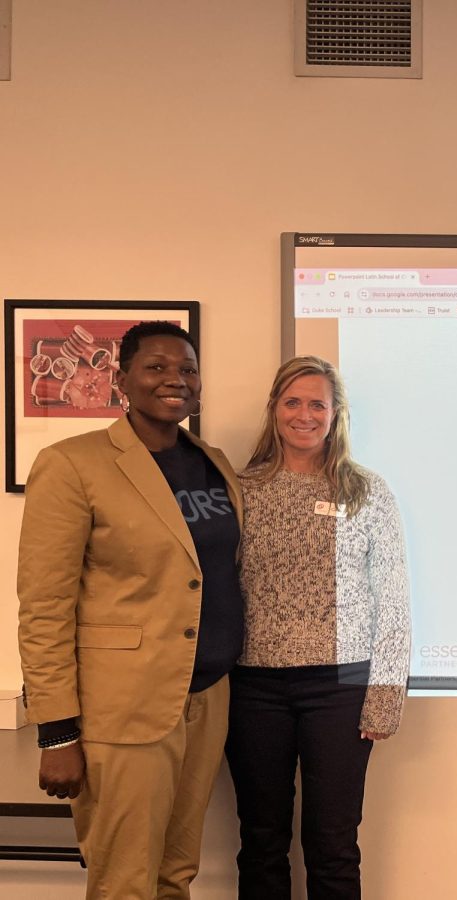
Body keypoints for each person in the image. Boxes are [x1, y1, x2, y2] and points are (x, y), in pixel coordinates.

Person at [17, 321, 243, 899]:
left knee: (176, 872)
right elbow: (44, 607)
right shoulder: (74, 464)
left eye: (188, 369)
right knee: (124, 881)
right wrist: (56, 734)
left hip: (206, 697)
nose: (176, 379)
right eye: (157, 367)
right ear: (122, 380)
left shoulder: (212, 463)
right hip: (124, 709)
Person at [225, 355, 410, 900]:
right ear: (274, 410)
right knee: (260, 840)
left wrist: (385, 697)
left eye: (317, 404)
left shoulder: (366, 492)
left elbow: (393, 599)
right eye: (292, 402)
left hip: (341, 690)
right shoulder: (241, 489)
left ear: (336, 415)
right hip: (254, 688)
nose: (304, 414)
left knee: (333, 844)